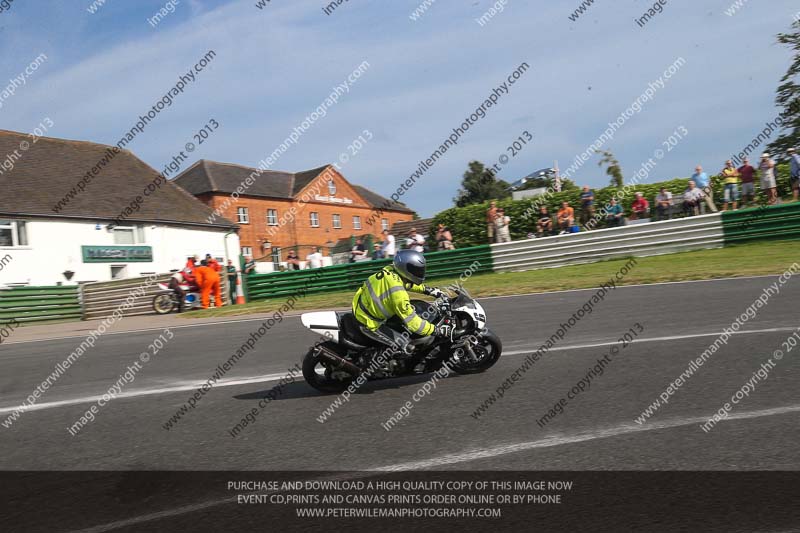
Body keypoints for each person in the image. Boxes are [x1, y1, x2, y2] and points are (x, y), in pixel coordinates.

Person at [352, 249, 448, 353]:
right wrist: (436, 330)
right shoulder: (399, 294)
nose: (420, 273)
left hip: (359, 307)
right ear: (405, 269)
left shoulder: (390, 270)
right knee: (406, 347)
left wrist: (428, 290)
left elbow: (405, 284)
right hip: (368, 323)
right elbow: (414, 324)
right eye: (416, 270)